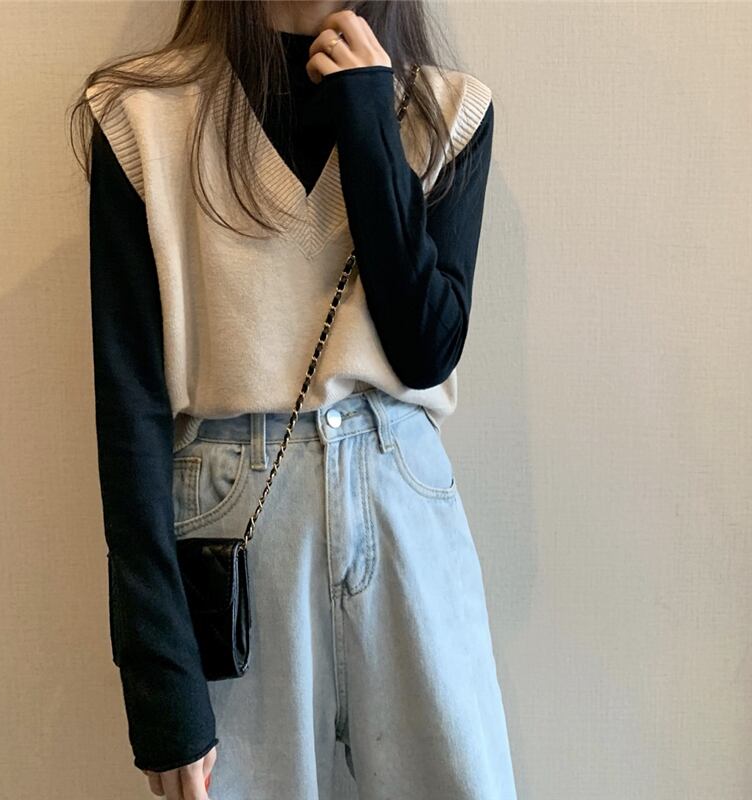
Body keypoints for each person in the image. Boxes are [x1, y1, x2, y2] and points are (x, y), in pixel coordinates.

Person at [75, 1, 516, 798]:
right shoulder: (143, 114)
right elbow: (129, 411)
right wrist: (160, 682)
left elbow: (426, 350)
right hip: (229, 529)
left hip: (401, 501)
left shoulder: (444, 113)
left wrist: (370, 118)